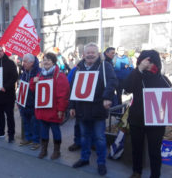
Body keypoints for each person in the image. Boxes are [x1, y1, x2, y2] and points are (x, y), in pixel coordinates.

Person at [70, 43, 118, 176]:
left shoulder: (105, 66)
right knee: (84, 136)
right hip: (82, 109)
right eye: (88, 52)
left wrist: (107, 97)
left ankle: (101, 162)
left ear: (98, 54)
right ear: (83, 54)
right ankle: (84, 158)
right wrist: (72, 106)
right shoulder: (78, 68)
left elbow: (112, 81)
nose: (90, 54)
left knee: (100, 138)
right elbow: (74, 88)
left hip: (98, 109)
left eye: (93, 52)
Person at [123, 50, 171, 178]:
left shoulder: (163, 79)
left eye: (150, 61)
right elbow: (127, 88)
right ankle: (136, 172)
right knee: (137, 149)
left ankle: (155, 175)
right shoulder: (137, 75)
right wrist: (139, 69)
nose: (147, 64)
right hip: (137, 120)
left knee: (154, 151)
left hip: (156, 122)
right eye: (145, 61)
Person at [30, 52, 70, 160]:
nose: (46, 62)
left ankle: (57, 151)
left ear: (53, 62)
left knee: (55, 131)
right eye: (44, 59)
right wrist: (33, 82)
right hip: (42, 110)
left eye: (49, 60)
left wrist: (61, 109)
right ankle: (44, 150)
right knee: (43, 131)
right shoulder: (40, 75)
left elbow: (63, 95)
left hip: (54, 110)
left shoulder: (59, 75)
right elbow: (34, 90)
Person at [0, 45, 18, 143]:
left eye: (0, 51)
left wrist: (5, 86)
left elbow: (14, 77)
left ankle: (11, 134)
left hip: (8, 95)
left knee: (9, 115)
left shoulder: (10, 63)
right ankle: (0, 132)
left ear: (3, 51)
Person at [18, 53, 41, 150]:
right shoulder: (24, 72)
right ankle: (28, 138)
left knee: (35, 123)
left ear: (31, 62)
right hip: (24, 101)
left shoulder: (39, 72)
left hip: (34, 101)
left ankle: (36, 141)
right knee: (26, 122)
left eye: (25, 61)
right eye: (23, 61)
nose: (23, 63)